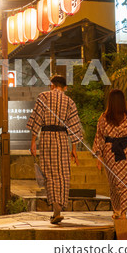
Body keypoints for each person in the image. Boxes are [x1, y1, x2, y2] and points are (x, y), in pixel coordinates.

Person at [27, 75, 82, 224]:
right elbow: (74, 126)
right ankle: (59, 207)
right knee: (63, 173)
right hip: (63, 139)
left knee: (49, 173)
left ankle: (56, 207)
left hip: (47, 138)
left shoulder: (43, 96)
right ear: (65, 87)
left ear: (52, 85)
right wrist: (74, 149)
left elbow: (36, 119)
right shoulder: (69, 101)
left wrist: (33, 142)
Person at [92, 89, 127, 220]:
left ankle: (118, 210)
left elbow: (100, 137)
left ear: (111, 102)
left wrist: (99, 155)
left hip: (109, 152)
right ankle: (122, 212)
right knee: (124, 183)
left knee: (114, 183)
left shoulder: (104, 118)